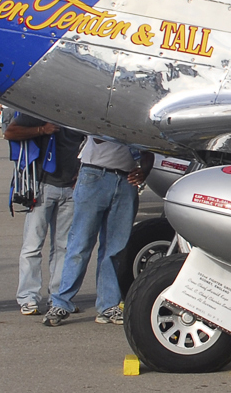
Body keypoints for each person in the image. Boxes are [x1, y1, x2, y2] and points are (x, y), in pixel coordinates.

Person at [44, 134, 153, 326]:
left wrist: (144, 171)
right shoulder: (108, 111)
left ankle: (108, 305)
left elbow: (149, 152)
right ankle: (61, 302)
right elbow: (100, 136)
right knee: (80, 243)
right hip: (96, 174)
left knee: (115, 249)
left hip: (125, 180)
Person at [4, 112, 86, 316]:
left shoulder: (81, 114)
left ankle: (57, 297)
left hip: (70, 187)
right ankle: (28, 297)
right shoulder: (41, 109)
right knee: (33, 245)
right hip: (42, 185)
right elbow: (10, 132)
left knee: (64, 247)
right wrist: (41, 130)